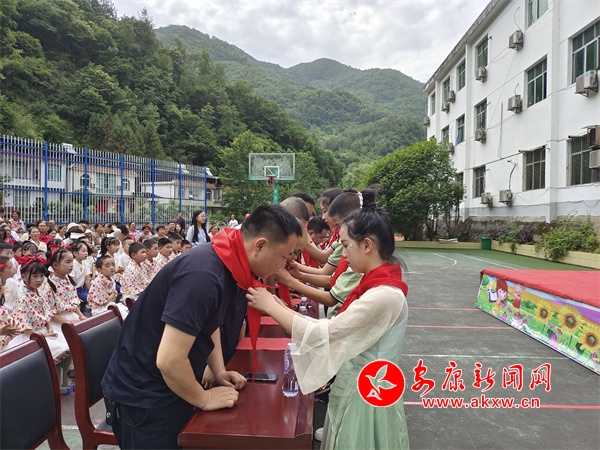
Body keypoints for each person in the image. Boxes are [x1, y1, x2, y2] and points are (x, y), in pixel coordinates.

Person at [102, 204, 302, 449]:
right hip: (146, 395)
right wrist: (203, 398)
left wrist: (219, 371)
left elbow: (210, 324)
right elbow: (169, 360)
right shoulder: (203, 275)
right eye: (285, 257)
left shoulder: (229, 262)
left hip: (171, 385)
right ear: (260, 246)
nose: (284, 266)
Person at [247, 207, 410, 450]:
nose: (343, 255)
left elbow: (325, 333)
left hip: (366, 395)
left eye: (346, 246)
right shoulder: (376, 287)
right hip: (361, 385)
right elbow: (332, 328)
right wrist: (279, 306)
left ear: (367, 245)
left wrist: (271, 306)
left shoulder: (383, 296)